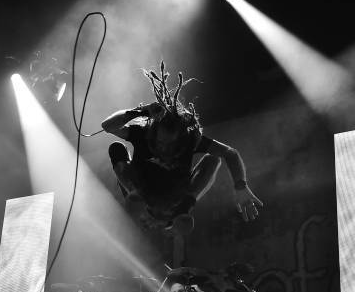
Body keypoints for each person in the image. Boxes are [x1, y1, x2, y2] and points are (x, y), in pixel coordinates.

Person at [102, 62, 263, 233]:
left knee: (213, 159)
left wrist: (240, 185)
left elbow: (229, 153)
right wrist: (142, 111)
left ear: (180, 137)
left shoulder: (189, 140)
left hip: (176, 198)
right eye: (161, 143)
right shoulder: (142, 132)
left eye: (171, 144)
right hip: (141, 192)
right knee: (116, 148)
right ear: (153, 133)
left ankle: (187, 204)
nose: (164, 149)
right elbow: (108, 126)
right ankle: (135, 194)